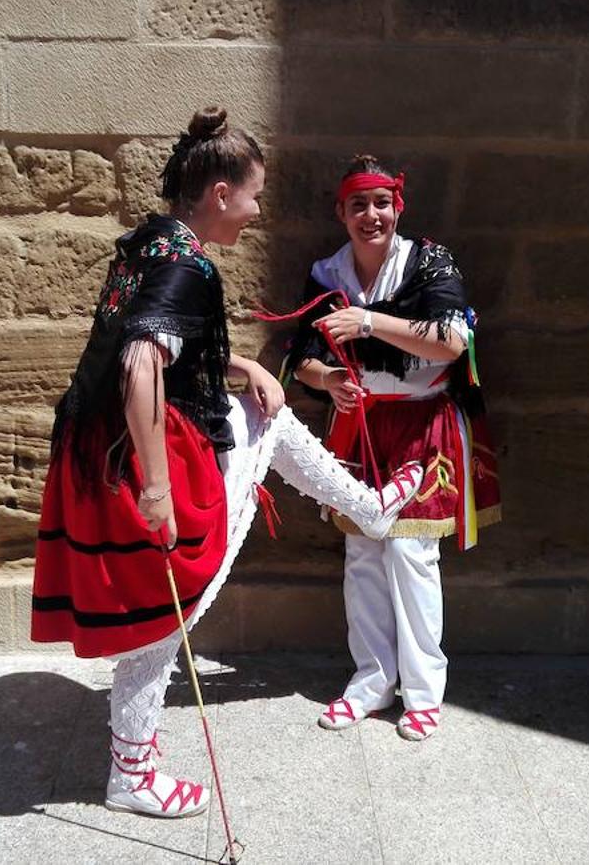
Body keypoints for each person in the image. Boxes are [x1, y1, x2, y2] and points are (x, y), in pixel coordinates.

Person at [30, 110, 424, 818]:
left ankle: (369, 506)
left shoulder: (154, 239)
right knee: (160, 619)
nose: (256, 209)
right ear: (219, 193)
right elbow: (140, 365)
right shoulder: (186, 267)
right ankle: (132, 775)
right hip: (135, 455)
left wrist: (242, 366)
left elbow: (153, 341)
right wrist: (156, 488)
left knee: (267, 426)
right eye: (253, 195)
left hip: (101, 446)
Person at [287, 155, 501, 742]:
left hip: (422, 423)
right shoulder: (326, 272)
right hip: (359, 428)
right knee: (361, 554)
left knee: (411, 557)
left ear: (397, 208)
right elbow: (298, 358)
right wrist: (326, 380)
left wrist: (368, 323)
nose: (370, 215)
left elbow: (454, 341)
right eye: (358, 205)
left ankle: (424, 693)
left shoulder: (429, 260)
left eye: (381, 203)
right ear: (341, 212)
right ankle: (372, 682)